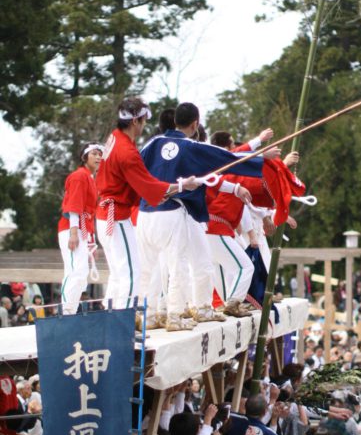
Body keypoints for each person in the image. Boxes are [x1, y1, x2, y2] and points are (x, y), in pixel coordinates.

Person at [137, 102, 263, 330]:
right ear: (195, 123)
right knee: (179, 266)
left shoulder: (152, 144)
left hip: (145, 212)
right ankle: (175, 315)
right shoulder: (191, 147)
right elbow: (228, 159)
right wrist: (263, 161)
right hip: (174, 210)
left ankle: (150, 314)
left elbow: (133, 168)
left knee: (151, 268)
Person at [95, 96, 199, 310]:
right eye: (143, 120)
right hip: (117, 216)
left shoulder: (114, 138)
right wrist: (181, 186)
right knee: (131, 275)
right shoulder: (127, 152)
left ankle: (111, 320)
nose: (144, 125)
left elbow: (143, 183)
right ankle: (121, 328)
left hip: (107, 214)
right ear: (135, 121)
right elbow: (148, 186)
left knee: (120, 274)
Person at [58, 142, 103, 314]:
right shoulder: (79, 176)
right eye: (94, 154)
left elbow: (88, 213)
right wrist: (74, 234)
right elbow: (74, 207)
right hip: (71, 229)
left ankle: (71, 309)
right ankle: (66, 311)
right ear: (85, 157)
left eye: (100, 154)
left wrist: (91, 242)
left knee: (81, 274)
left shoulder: (90, 178)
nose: (99, 157)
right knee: (74, 271)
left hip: (81, 230)